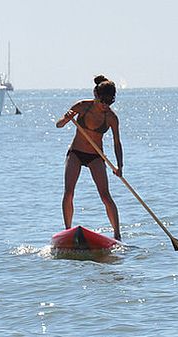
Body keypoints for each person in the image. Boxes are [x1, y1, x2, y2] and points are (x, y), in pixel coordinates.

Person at [56, 75, 123, 240]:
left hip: (96, 156)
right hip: (76, 153)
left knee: (105, 195)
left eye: (109, 102)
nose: (105, 106)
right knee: (69, 192)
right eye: (103, 102)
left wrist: (119, 166)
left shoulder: (112, 118)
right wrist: (66, 118)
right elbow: (59, 124)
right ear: (96, 96)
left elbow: (117, 143)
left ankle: (117, 235)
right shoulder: (82, 106)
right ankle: (67, 231)